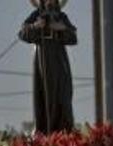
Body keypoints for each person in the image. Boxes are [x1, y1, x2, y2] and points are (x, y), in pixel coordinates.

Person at [19, 0, 77, 133]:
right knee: (43, 98)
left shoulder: (61, 17)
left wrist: (61, 28)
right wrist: (36, 26)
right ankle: (45, 133)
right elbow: (23, 33)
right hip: (42, 62)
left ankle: (64, 132)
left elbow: (73, 37)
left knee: (62, 97)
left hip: (59, 62)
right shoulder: (36, 15)